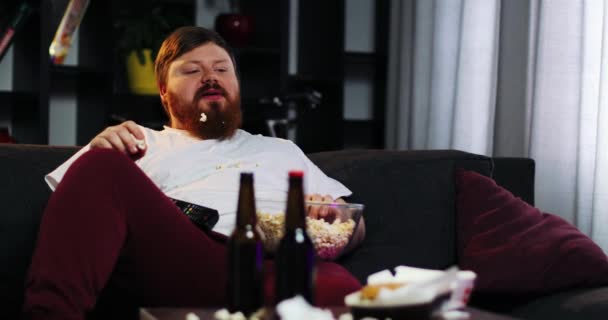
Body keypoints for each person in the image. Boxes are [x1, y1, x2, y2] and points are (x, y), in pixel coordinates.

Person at [23, 26, 365, 319]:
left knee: (338, 287)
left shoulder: (282, 149)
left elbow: (353, 222)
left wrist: (333, 219)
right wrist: (100, 152)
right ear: (162, 91)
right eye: (191, 71)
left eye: (222, 69)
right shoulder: (137, 141)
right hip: (190, 259)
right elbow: (72, 222)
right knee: (101, 165)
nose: (210, 77)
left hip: (276, 265)